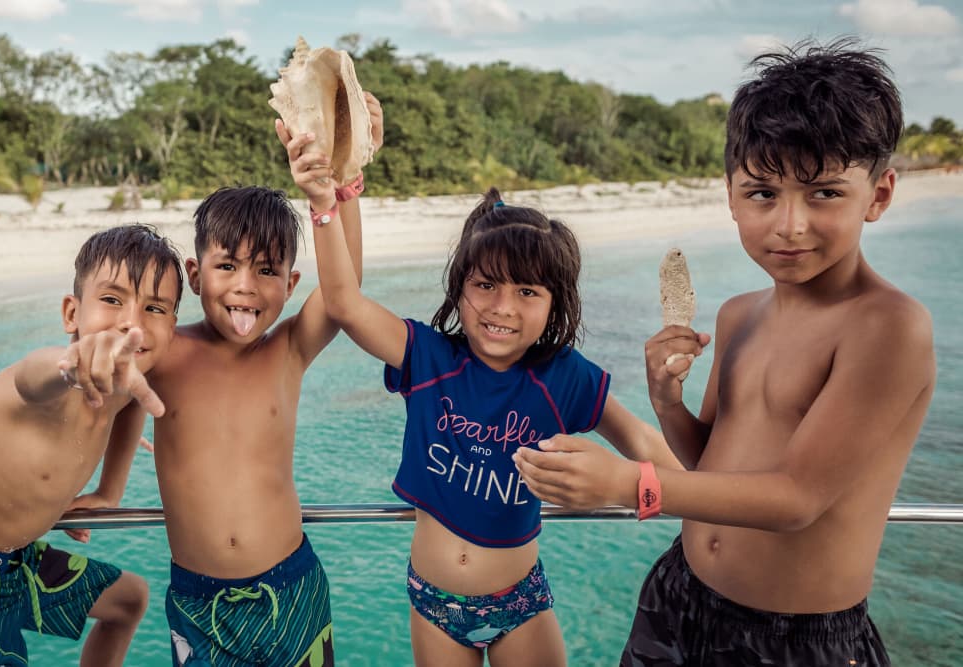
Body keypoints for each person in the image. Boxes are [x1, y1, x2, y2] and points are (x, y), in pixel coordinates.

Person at [512, 38, 936, 666]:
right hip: (680, 595)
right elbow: (710, 464)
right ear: (731, 196)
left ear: (877, 194)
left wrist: (631, 484)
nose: (789, 224)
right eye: (762, 193)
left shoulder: (888, 327)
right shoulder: (740, 314)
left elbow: (796, 501)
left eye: (824, 193)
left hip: (794, 637)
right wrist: (667, 402)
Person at [292, 113, 680, 666]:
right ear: (460, 288)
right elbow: (344, 301)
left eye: (528, 291)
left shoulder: (562, 376)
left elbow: (640, 440)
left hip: (519, 601)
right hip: (434, 604)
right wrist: (332, 200)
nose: (502, 307)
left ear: (555, 306)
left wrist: (707, 503)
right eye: (485, 285)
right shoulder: (428, 358)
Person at [145, 94, 383, 667]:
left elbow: (343, 288)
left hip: (293, 586)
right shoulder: (165, 352)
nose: (246, 287)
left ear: (291, 281)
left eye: (268, 270)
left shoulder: (287, 353)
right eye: (227, 267)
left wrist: (342, 184)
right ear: (196, 276)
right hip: (200, 605)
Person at [0, 223, 184, 666]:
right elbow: (33, 375)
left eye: (154, 308)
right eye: (112, 299)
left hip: (18, 562)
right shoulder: (39, 387)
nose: (131, 321)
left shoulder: (124, 387)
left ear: (172, 328)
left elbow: (130, 405)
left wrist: (109, 491)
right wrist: (71, 365)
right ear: (71, 314)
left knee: (128, 599)